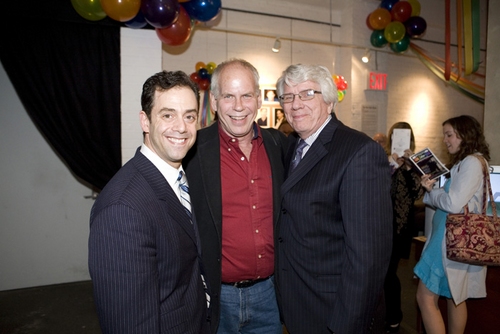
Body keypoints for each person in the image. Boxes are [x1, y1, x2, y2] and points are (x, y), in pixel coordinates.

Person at [88, 71, 209, 334]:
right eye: (168, 115)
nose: (181, 127)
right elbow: (128, 324)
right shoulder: (122, 209)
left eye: (189, 116)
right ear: (145, 121)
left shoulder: (177, 178)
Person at [275, 63, 392, 333]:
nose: (296, 104)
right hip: (299, 302)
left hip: (335, 311)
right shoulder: (293, 145)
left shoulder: (359, 151)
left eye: (306, 94)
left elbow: (368, 257)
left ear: (328, 100)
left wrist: (346, 324)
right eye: (288, 97)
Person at [183, 58, 288, 334]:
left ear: (258, 100)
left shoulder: (278, 146)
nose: (239, 106)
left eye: (246, 95)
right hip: (216, 298)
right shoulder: (192, 151)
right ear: (215, 102)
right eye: (228, 96)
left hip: (270, 295)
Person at [414, 115, 489, 334]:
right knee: (455, 297)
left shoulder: (472, 163)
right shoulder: (466, 162)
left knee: (425, 297)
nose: (446, 140)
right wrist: (433, 189)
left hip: (447, 240)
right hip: (449, 238)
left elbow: (453, 203)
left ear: (465, 135)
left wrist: (431, 191)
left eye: (449, 135)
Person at [383, 122, 424, 333]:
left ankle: (394, 318)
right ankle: (388, 315)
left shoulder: (416, 164)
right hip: (382, 226)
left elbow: (417, 193)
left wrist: (409, 168)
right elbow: (378, 185)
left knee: (389, 273)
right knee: (384, 273)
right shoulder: (385, 160)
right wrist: (394, 164)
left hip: (400, 228)